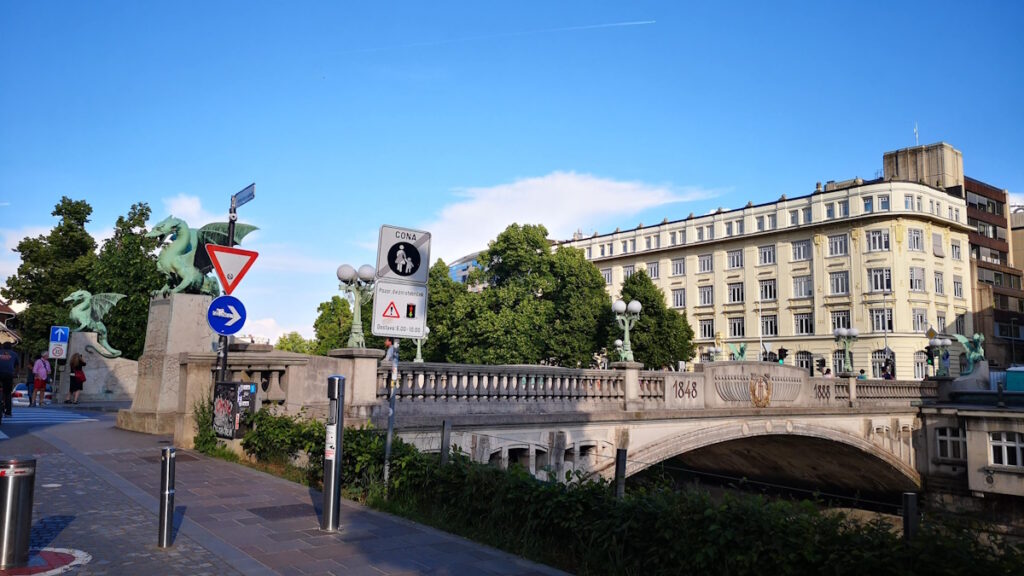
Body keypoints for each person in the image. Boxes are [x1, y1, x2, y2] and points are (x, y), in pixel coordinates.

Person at [0, 343, 18, 416]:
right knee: (7, 393)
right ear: (11, 347)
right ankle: (8, 412)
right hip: (8, 375)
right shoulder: (14, 354)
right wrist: (16, 374)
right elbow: (17, 365)